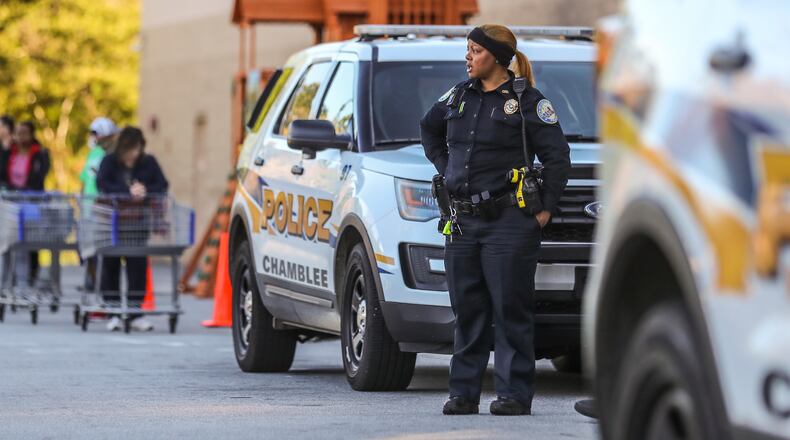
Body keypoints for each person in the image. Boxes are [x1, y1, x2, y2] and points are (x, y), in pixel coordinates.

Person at [420, 25, 570, 416]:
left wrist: (545, 210)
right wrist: (446, 166)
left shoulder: (527, 102)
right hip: (463, 221)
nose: (467, 57)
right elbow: (428, 128)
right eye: (467, 50)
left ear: (496, 57)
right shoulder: (457, 96)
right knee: (467, 311)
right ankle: (463, 394)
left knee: (510, 310)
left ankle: (514, 395)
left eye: (474, 51)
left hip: (509, 222)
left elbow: (557, 157)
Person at [96, 126, 168, 331]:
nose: (134, 154)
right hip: (113, 222)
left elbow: (162, 184)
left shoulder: (148, 163)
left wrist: (145, 191)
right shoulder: (109, 162)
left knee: (137, 265)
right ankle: (114, 312)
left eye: (137, 148)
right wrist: (127, 192)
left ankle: (136, 312)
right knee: (111, 264)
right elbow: (102, 183)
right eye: (130, 149)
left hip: (138, 222)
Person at [0, 120, 52, 286]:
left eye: (24, 133)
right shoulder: (9, 152)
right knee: (8, 243)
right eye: (18, 133)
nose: (21, 137)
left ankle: (29, 278)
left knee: (27, 244)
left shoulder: (40, 153)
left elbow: (40, 176)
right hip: (10, 203)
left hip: (31, 203)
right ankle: (6, 281)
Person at [79, 117, 118, 291]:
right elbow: (84, 179)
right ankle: (92, 280)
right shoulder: (93, 153)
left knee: (102, 251)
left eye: (97, 133)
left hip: (103, 209)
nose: (94, 137)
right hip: (88, 207)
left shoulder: (110, 155)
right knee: (87, 250)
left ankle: (102, 286)